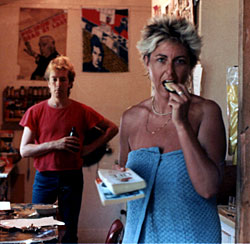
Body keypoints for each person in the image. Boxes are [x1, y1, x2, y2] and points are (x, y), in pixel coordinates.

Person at [118, 16, 226, 243]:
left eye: (179, 61)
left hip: (193, 237)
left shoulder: (207, 112)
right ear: (147, 62)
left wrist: (182, 124)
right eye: (161, 60)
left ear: (191, 67)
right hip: (139, 237)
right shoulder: (130, 118)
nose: (170, 73)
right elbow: (125, 189)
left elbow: (208, 188)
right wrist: (113, 181)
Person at [19, 55, 118, 243]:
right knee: (40, 231)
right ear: (47, 83)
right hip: (45, 177)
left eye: (62, 79)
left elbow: (113, 128)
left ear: (70, 83)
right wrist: (56, 144)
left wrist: (89, 148)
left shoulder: (81, 111)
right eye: (54, 79)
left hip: (72, 176)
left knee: (69, 231)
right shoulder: (35, 111)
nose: (58, 84)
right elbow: (24, 150)